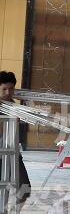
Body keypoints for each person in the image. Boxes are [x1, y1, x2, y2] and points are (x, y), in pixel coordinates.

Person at [0, 71, 31, 206]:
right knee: (3, 192)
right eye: (4, 89)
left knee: (24, 189)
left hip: (13, 153)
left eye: (11, 88)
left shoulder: (15, 107)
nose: (8, 92)